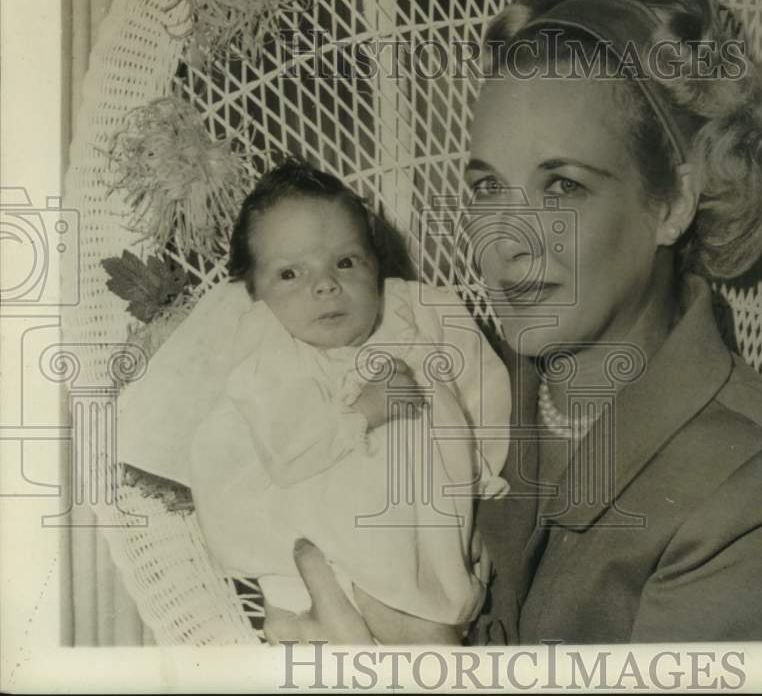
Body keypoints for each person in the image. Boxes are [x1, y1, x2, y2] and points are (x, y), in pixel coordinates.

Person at [272, 0, 762, 644]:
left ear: (673, 202)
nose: (504, 245)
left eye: (562, 187)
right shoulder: (462, 371)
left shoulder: (759, 494)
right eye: (487, 188)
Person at [175, 160, 511, 645]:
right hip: (322, 525)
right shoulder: (269, 347)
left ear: (376, 262)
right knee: (419, 635)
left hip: (431, 529)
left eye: (346, 262)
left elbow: (482, 394)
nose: (325, 285)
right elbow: (286, 451)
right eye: (290, 274)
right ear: (254, 294)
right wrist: (361, 412)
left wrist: (481, 499)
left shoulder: (420, 312)